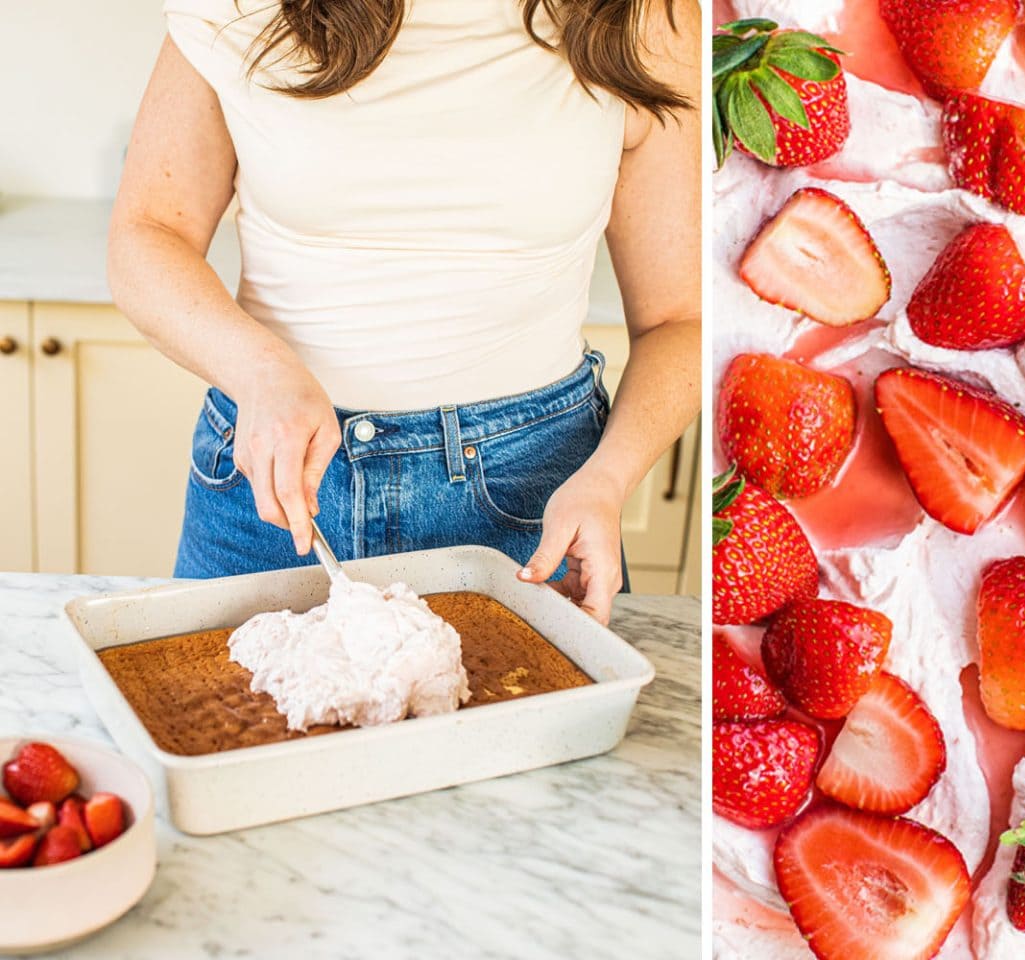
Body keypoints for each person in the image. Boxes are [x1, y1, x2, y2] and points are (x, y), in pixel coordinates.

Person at [108, 0, 701, 624]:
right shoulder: (237, 10)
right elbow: (147, 235)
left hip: (535, 496)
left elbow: (680, 318)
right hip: (273, 490)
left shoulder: (644, 17)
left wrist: (609, 479)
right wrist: (260, 371)